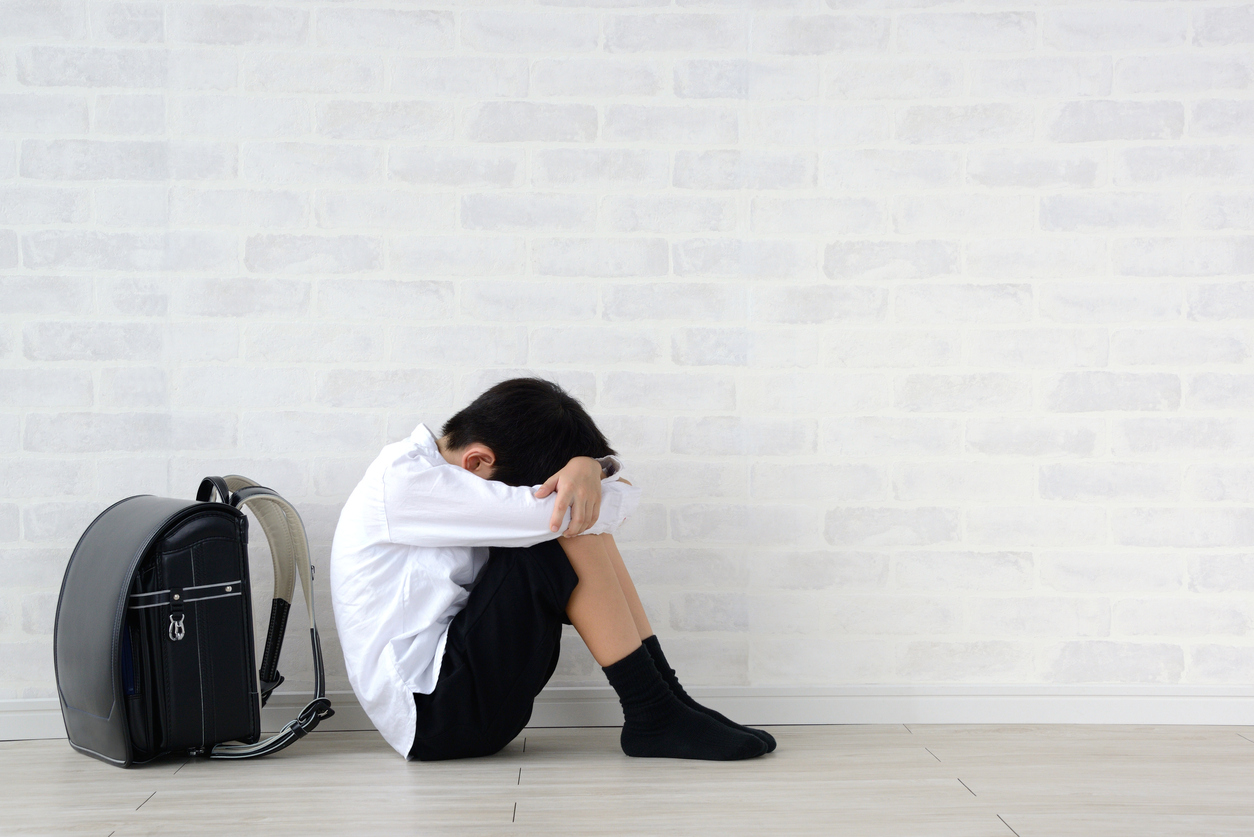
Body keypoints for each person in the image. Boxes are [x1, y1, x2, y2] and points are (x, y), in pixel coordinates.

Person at [329, 377, 775, 761]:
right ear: (478, 461)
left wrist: (592, 467)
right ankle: (654, 712)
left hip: (457, 698)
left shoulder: (434, 470)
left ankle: (667, 701)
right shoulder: (407, 483)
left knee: (570, 513)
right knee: (565, 520)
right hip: (435, 717)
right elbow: (597, 508)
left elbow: (611, 499)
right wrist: (588, 475)